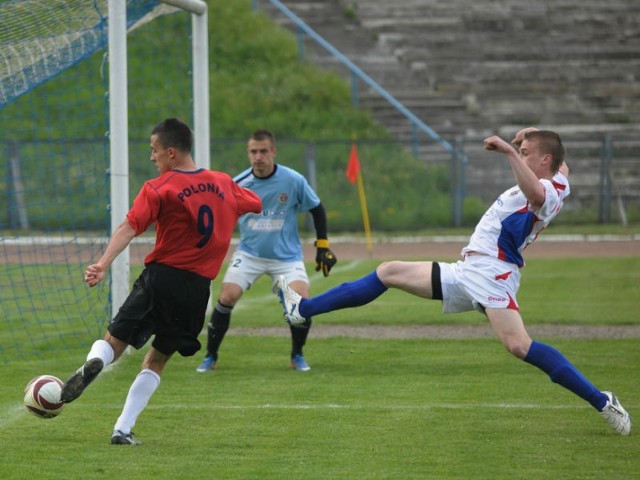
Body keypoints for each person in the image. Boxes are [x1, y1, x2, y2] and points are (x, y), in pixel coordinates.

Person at [275, 128, 632, 436]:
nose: (521, 156)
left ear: (544, 160)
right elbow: (560, 161)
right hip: (468, 272)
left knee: (519, 346)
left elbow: (536, 195)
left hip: (493, 274)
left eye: (527, 155)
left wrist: (509, 151)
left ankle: (603, 401)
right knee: (389, 271)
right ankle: (302, 309)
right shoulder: (559, 177)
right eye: (520, 153)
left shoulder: (546, 192)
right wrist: (530, 134)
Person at [59, 118, 262, 445]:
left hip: (161, 279)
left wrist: (102, 264)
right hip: (196, 290)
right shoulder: (223, 182)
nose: (152, 158)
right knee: (157, 359)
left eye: (154, 151)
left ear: (170, 153)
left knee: (114, 342)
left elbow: (129, 227)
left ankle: (95, 362)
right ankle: (122, 429)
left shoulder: (159, 188)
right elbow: (255, 202)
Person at [195, 129, 336, 373]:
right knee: (227, 297)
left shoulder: (292, 180)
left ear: (273, 152)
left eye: (263, 151)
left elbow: (317, 208)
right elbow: (220, 216)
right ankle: (210, 356)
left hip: (286, 257)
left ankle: (297, 355)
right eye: (253, 152)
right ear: (248, 154)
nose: (258, 156)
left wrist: (322, 245)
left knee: (299, 304)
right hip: (249, 254)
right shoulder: (238, 184)